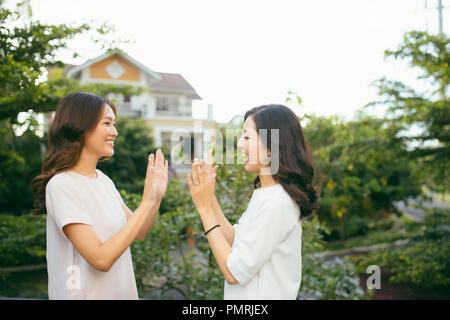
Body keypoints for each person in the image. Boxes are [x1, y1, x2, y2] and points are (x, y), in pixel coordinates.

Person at [31, 92, 168, 299]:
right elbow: (101, 259)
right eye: (107, 123)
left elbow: (138, 232)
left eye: (114, 124)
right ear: (81, 126)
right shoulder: (61, 186)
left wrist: (155, 198)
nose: (114, 132)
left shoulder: (103, 180)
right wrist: (146, 202)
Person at [187, 104, 319, 299]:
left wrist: (205, 210)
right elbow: (234, 241)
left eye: (247, 137)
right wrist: (210, 197)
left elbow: (234, 273)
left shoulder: (277, 202)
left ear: (270, 148)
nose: (240, 144)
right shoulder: (267, 194)